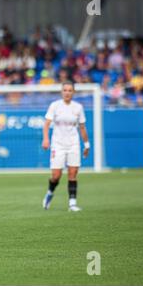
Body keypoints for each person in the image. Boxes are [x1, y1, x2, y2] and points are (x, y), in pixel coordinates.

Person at [41, 81, 90, 212]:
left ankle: (72, 203)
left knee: (72, 173)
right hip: (58, 144)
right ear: (61, 92)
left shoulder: (78, 107)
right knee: (56, 175)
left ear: (73, 92)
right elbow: (46, 124)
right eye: (65, 90)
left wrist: (87, 144)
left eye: (70, 90)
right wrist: (46, 139)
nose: (67, 92)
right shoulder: (55, 106)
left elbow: (82, 127)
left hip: (73, 144)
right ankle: (50, 192)